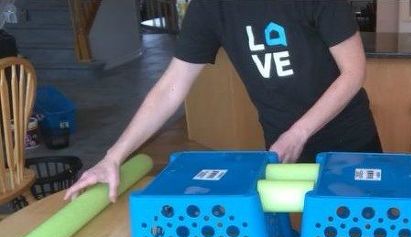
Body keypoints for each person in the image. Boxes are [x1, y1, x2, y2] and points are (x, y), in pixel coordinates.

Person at [65, 0, 381, 202]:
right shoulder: (210, 8)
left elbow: (353, 72)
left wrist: (298, 132)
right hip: (281, 146)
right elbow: (171, 87)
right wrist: (113, 156)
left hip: (347, 139)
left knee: (362, 235)